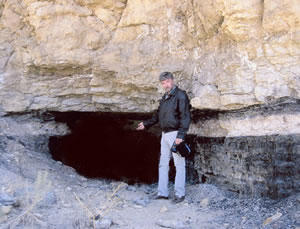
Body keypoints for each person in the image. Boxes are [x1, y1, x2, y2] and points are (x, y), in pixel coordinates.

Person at [136, 72, 191, 204]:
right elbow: (157, 116)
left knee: (179, 164)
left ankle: (179, 194)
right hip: (165, 134)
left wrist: (181, 136)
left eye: (167, 81)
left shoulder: (180, 95)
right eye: (163, 83)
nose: (165, 85)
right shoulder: (164, 98)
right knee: (163, 164)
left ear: (172, 80)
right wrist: (145, 124)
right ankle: (162, 193)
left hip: (175, 134)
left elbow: (185, 117)